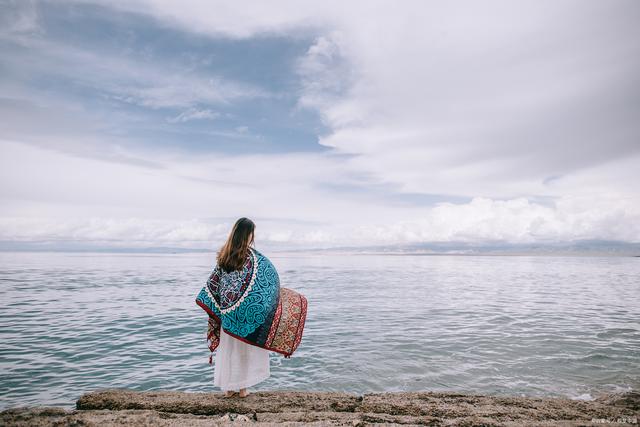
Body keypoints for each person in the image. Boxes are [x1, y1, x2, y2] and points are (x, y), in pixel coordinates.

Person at [212, 217, 271, 398]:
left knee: (229, 350)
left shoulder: (223, 255)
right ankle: (243, 389)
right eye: (252, 232)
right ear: (247, 234)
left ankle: (229, 389)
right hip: (244, 314)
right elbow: (263, 282)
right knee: (244, 351)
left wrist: (223, 306)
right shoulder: (252, 257)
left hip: (228, 314)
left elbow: (215, 284)